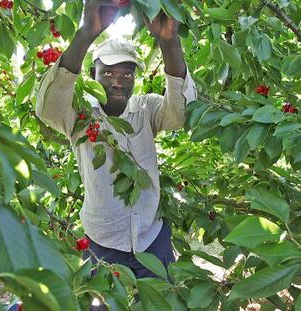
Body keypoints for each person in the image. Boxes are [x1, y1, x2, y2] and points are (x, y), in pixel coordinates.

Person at [36, 0, 197, 307]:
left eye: (126, 73)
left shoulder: (146, 108)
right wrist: (86, 33)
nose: (117, 81)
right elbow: (48, 108)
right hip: (102, 241)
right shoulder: (81, 116)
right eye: (108, 73)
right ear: (94, 74)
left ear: (135, 77)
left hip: (153, 237)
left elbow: (180, 114)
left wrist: (169, 42)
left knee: (162, 302)